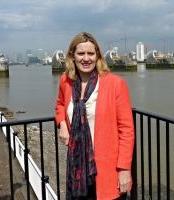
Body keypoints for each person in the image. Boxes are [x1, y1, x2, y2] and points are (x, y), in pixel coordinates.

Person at [55, 32, 134, 200]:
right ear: (72, 56)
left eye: (90, 53)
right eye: (81, 53)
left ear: (97, 55)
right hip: (77, 168)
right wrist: (62, 123)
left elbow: (126, 130)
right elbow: (60, 104)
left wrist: (124, 169)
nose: (86, 58)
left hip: (107, 168)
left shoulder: (115, 84)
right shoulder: (66, 81)